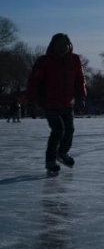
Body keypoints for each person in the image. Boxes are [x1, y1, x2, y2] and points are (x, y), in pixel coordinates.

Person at [26, 33, 87, 176]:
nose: (62, 48)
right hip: (49, 103)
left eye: (65, 45)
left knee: (70, 130)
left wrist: (81, 96)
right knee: (58, 130)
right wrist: (32, 101)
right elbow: (34, 82)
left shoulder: (74, 60)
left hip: (67, 102)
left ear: (69, 46)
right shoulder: (44, 61)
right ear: (52, 46)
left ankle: (62, 153)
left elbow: (80, 79)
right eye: (58, 45)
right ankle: (50, 161)